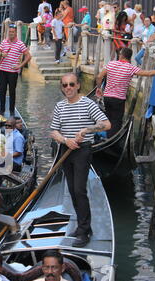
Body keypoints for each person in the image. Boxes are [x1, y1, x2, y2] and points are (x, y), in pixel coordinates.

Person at [50, 73, 111, 247]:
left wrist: (87, 129)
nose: (68, 88)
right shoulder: (59, 106)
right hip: (65, 149)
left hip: (82, 150)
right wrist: (64, 140)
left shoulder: (87, 104)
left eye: (71, 84)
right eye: (64, 85)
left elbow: (106, 124)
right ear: (62, 88)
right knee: (71, 189)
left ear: (78, 85)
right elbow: (53, 130)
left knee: (79, 190)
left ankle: (84, 231)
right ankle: (83, 226)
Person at [96, 48, 155, 138]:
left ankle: (106, 136)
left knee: (109, 118)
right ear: (130, 57)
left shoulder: (111, 64)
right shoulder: (130, 68)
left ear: (121, 55)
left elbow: (99, 76)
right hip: (119, 99)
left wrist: (99, 88)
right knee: (116, 122)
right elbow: (149, 73)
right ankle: (111, 139)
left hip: (107, 97)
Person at [0, 24, 31, 117]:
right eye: (9, 32)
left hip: (13, 72)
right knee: (2, 90)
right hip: (3, 70)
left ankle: (11, 111)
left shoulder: (20, 44)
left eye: (12, 32)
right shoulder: (4, 42)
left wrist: (20, 66)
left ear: (15, 33)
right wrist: (2, 54)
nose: (11, 33)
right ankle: (1, 110)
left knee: (12, 91)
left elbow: (28, 56)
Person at [18, 250, 83, 281]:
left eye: (54, 267)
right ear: (42, 268)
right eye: (46, 267)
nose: (50, 271)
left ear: (62, 268)